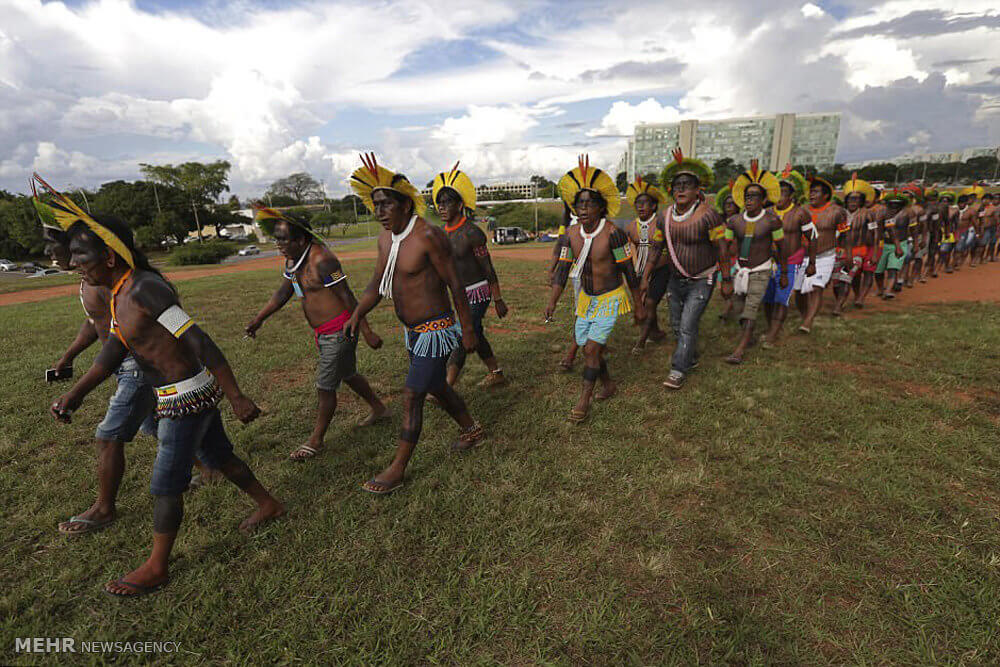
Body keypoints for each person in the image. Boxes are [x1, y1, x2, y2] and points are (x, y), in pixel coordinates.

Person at [38, 174, 284, 597]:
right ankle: (269, 504)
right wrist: (75, 393)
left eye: (81, 254)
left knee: (165, 483)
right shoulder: (117, 292)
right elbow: (114, 349)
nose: (74, 262)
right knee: (219, 456)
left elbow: (197, 339)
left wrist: (237, 394)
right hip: (177, 394)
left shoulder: (147, 290)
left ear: (110, 257)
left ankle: (156, 566)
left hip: (186, 397)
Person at [344, 154, 484, 495]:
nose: (379, 212)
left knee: (412, 395)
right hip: (411, 331)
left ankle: (397, 468)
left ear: (405, 204)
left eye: (386, 205)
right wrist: (357, 314)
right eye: (375, 205)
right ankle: (471, 429)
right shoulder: (385, 239)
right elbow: (378, 282)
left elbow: (456, 284)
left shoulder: (428, 236)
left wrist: (467, 330)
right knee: (437, 385)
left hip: (436, 330)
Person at [32, 196, 165, 535]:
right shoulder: (90, 280)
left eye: (55, 247)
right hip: (123, 365)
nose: (51, 254)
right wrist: (68, 356)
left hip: (133, 364)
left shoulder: (110, 281)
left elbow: (120, 335)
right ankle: (208, 466)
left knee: (108, 437)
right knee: (155, 427)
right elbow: (95, 324)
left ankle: (104, 509)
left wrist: (79, 390)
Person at [245, 207, 387, 461]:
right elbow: (283, 293)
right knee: (348, 374)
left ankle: (316, 440)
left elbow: (347, 296)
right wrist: (259, 319)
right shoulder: (293, 260)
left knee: (325, 386)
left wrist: (366, 330)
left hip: (340, 330)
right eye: (276, 238)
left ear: (301, 239)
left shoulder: (323, 261)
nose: (278, 244)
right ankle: (379, 408)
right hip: (322, 333)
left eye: (283, 239)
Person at [546, 155, 643, 422]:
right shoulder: (570, 235)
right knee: (587, 346)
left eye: (590, 203)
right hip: (586, 300)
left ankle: (583, 400)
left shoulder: (614, 233)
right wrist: (553, 301)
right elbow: (563, 270)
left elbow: (629, 271)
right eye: (580, 203)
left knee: (589, 350)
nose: (584, 207)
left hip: (610, 298)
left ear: (602, 207)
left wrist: (639, 306)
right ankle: (608, 385)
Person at [640, 149, 728, 389]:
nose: (681, 189)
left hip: (702, 279)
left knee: (688, 325)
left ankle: (678, 369)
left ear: (697, 190)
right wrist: (645, 278)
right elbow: (656, 249)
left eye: (687, 185)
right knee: (677, 325)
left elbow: (721, 248)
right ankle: (691, 356)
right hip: (674, 280)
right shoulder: (664, 217)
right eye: (677, 185)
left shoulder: (708, 215)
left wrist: (727, 279)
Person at [430, 163, 509, 387]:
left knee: (464, 334)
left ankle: (448, 383)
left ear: (460, 204)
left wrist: (498, 299)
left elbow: (488, 267)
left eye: (447, 202)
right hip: (457, 293)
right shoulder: (439, 234)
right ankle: (496, 372)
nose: (442, 207)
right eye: (440, 202)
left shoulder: (472, 233)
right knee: (476, 332)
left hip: (478, 292)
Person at [721, 162, 787, 364]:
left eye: (755, 196)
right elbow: (725, 245)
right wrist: (725, 275)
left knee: (751, 308)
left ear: (764, 199)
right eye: (747, 196)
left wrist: (784, 273)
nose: (749, 200)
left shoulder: (772, 221)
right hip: (740, 271)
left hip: (761, 270)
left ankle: (739, 350)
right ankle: (748, 337)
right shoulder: (734, 221)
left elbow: (781, 247)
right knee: (740, 307)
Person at [761, 165, 812, 347]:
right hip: (768, 262)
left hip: (791, 262)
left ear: (791, 195)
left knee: (782, 298)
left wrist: (811, 263)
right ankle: (770, 327)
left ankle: (773, 334)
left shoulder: (801, 213)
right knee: (767, 298)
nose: (780, 196)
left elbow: (812, 238)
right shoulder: (767, 213)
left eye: (784, 192)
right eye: (777, 192)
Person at [624, 176, 670, 353]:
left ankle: (641, 341)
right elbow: (625, 250)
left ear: (653, 206)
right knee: (644, 304)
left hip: (660, 270)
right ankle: (656, 332)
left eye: (645, 203)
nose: (641, 206)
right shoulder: (630, 227)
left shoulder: (661, 223)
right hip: (639, 271)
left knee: (650, 303)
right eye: (638, 203)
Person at [797, 176, 846, 333]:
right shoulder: (802, 210)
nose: (812, 195)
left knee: (817, 287)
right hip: (803, 256)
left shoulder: (837, 212)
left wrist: (846, 251)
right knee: (798, 290)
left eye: (816, 192)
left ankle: (808, 321)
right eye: (811, 192)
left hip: (825, 256)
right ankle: (805, 314)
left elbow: (845, 233)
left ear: (825, 195)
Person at [838, 175, 876, 310]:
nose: (853, 201)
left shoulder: (868, 214)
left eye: (857, 199)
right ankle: (856, 295)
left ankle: (860, 297)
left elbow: (874, 234)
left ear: (861, 201)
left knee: (864, 272)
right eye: (851, 198)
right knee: (854, 276)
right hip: (844, 250)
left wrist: (874, 252)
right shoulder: (841, 213)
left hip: (864, 248)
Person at [873, 189, 911, 298]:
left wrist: (899, 247)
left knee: (892, 268)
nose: (894, 206)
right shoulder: (882, 214)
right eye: (892, 204)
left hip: (900, 244)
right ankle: (881, 289)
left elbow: (895, 231)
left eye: (897, 204)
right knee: (878, 271)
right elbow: (877, 231)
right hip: (883, 244)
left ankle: (888, 290)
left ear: (902, 205)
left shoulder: (906, 215)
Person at [935, 191, 958, 274]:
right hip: (938, 232)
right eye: (943, 201)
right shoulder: (937, 209)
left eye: (947, 201)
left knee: (945, 251)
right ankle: (937, 266)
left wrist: (956, 235)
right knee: (937, 251)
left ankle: (945, 266)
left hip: (949, 233)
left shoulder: (954, 210)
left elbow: (956, 223)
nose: (945, 202)